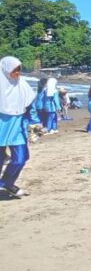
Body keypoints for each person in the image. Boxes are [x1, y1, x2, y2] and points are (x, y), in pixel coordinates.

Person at [0, 57, 41, 198]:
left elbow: (30, 105)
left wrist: (36, 122)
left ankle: (6, 183)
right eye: (14, 69)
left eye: (19, 69)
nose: (18, 72)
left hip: (17, 125)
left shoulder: (22, 84)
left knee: (21, 158)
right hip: (1, 126)